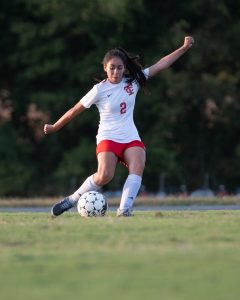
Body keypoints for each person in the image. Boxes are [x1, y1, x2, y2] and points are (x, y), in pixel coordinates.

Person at [44, 36, 194, 217]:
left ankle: (124, 210)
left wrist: (184, 48)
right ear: (105, 68)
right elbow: (73, 111)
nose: (116, 71)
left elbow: (162, 64)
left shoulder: (134, 81)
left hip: (130, 136)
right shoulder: (98, 90)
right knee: (105, 176)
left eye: (120, 67)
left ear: (125, 68)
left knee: (138, 164)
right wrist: (55, 127)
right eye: (112, 67)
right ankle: (72, 199)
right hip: (108, 137)